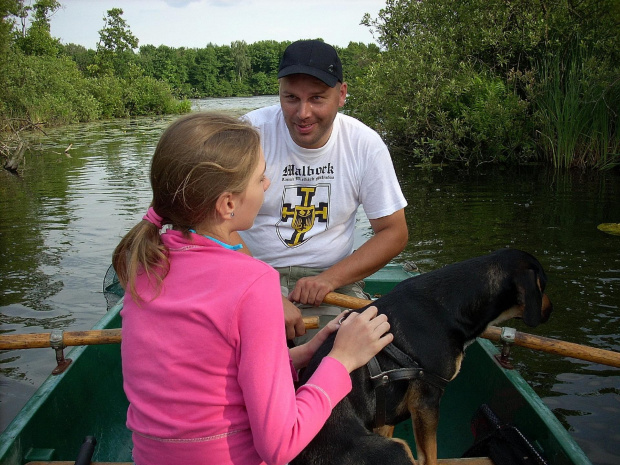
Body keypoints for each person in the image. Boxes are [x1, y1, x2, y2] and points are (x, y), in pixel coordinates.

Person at [113, 112, 393, 465]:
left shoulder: (144, 262)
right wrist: (342, 360)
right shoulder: (254, 281)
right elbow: (279, 446)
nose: (266, 184)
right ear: (228, 204)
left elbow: (211, 373)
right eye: (260, 177)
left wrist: (301, 357)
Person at [238, 40, 409, 340]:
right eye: (291, 98)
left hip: (334, 281)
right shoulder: (249, 134)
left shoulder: (364, 145)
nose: (302, 113)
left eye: (317, 98)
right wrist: (262, 288)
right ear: (278, 92)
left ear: (341, 94)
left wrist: (328, 279)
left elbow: (394, 232)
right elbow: (212, 223)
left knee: (355, 356)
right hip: (251, 273)